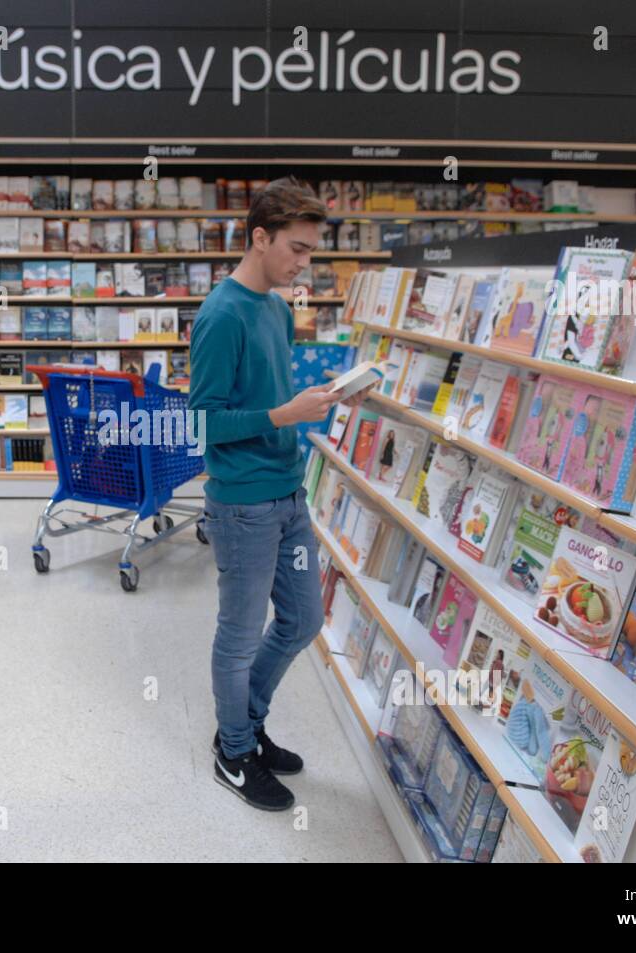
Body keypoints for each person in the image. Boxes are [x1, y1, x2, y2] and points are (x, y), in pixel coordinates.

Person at [188, 176, 368, 811]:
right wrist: (283, 417)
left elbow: (272, 394)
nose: (304, 263)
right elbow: (202, 422)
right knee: (239, 633)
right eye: (296, 248)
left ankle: (246, 724)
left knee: (303, 619)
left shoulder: (275, 305)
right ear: (259, 237)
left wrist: (328, 399)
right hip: (242, 505)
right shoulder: (221, 315)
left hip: (289, 495)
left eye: (311, 252)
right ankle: (232, 754)